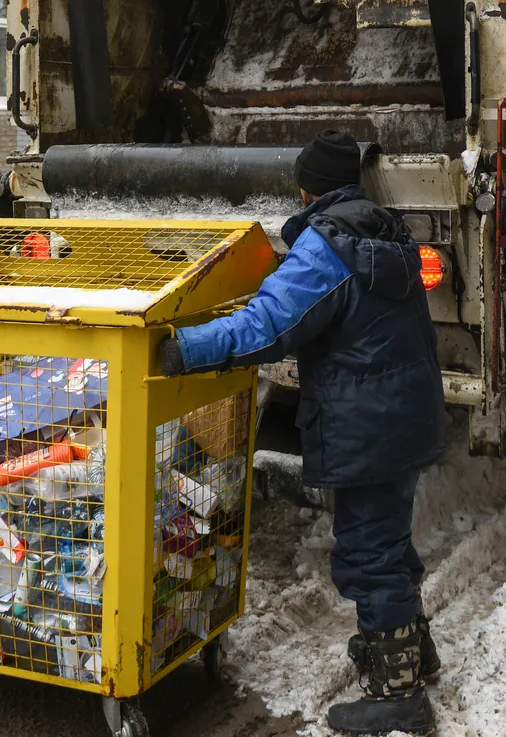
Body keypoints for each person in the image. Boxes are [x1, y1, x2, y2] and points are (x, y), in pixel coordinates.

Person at [157, 130, 445, 734]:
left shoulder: (327, 247)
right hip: (405, 415)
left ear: (307, 185)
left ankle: (399, 694)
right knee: (388, 541)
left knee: (369, 554)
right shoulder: (388, 231)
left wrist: (184, 347)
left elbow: (268, 325)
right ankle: (412, 652)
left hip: (367, 424)